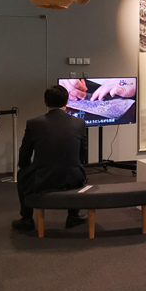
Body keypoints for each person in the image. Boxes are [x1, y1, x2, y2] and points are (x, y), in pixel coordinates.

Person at [12, 85, 88, 231]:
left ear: (45, 102)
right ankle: (73, 216)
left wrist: (26, 167)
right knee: (76, 168)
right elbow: (82, 154)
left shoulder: (34, 124)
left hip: (43, 179)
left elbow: (24, 155)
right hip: (73, 178)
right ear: (67, 102)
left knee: (22, 174)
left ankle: (26, 219)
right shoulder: (79, 123)